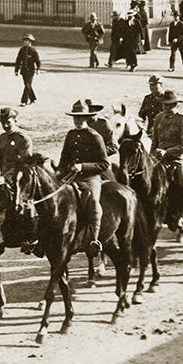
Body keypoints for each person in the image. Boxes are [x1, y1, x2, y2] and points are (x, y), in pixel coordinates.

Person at [57, 100, 110, 253]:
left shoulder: (95, 136)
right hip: (71, 177)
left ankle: (94, 239)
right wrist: (58, 174)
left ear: (87, 118)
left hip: (90, 178)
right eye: (75, 117)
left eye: (81, 118)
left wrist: (82, 166)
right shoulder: (71, 134)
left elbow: (104, 164)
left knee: (93, 202)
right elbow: (64, 158)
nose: (78, 121)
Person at [149, 90, 183, 201]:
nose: (166, 108)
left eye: (169, 105)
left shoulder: (182, 119)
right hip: (159, 157)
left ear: (175, 105)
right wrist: (151, 155)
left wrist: (167, 152)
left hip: (177, 158)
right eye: (164, 104)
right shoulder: (158, 118)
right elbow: (154, 140)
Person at [0, 107, 32, 178]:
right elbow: (1, 159)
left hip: (20, 178)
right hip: (6, 176)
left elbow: (26, 164)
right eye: (3, 123)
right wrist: (3, 173)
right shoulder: (2, 138)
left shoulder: (23, 138)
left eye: (8, 122)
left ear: (15, 121)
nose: (5, 126)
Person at [14, 34, 41, 106]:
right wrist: (16, 70)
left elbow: (37, 61)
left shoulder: (33, 50)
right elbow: (18, 60)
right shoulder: (21, 50)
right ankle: (33, 98)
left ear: (30, 42)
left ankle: (24, 101)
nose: (25, 42)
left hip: (31, 71)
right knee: (27, 85)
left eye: (27, 41)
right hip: (23, 70)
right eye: (24, 41)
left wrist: (38, 69)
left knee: (27, 85)